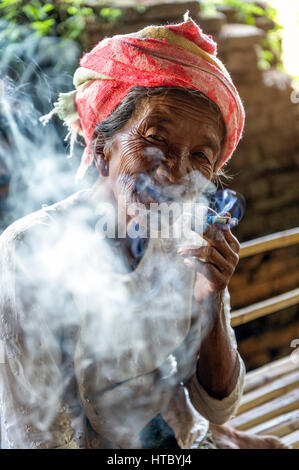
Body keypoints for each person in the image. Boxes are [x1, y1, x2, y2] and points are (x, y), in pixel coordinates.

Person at [0, 18, 287, 449]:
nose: (175, 173)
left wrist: (211, 303)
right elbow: (35, 435)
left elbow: (217, 408)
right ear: (102, 152)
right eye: (156, 141)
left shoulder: (188, 240)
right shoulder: (28, 251)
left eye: (199, 158)